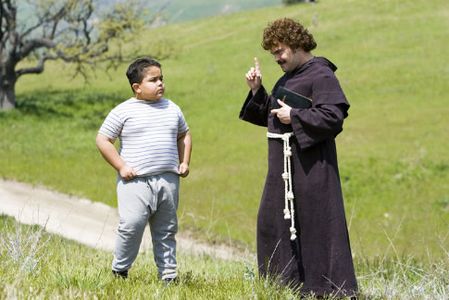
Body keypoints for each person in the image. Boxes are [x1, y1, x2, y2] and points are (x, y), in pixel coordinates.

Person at [239, 18, 357, 297]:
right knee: (273, 223)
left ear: (297, 44)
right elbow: (273, 114)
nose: (277, 58)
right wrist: (257, 90)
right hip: (284, 168)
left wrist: (294, 115)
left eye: (280, 51)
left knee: (316, 225)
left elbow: (333, 117)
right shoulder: (289, 77)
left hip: (312, 169)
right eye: (273, 54)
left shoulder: (321, 75)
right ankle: (284, 286)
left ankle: (327, 289)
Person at [96, 57, 192, 283]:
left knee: (166, 229)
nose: (160, 83)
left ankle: (168, 276)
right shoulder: (123, 111)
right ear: (137, 87)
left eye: (162, 78)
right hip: (135, 181)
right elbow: (103, 140)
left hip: (168, 179)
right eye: (153, 80)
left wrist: (185, 161)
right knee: (132, 224)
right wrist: (121, 166)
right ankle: (120, 270)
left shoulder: (172, 108)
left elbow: (184, 134)